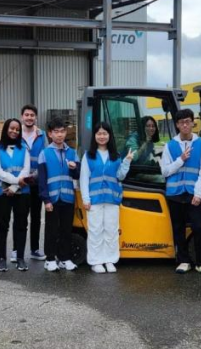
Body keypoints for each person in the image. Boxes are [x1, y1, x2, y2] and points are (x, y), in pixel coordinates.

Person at [161, 108, 201, 274]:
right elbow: (165, 171)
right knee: (178, 228)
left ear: (192, 123)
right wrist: (180, 160)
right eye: (181, 122)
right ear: (177, 125)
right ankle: (183, 261)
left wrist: (199, 193)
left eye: (188, 121)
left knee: (198, 227)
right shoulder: (170, 146)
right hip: (175, 194)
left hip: (193, 193)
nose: (185, 125)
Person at [81, 121, 132, 273]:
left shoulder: (116, 156)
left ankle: (110, 260)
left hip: (112, 199)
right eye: (99, 133)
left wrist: (127, 161)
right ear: (95, 136)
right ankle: (96, 261)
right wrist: (86, 199)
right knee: (95, 231)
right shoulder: (88, 156)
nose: (102, 136)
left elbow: (120, 176)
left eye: (105, 133)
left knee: (111, 231)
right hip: (94, 200)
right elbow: (84, 179)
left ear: (110, 136)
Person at [37, 116, 80, 272]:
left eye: (62, 131)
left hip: (68, 198)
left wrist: (75, 168)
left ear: (66, 132)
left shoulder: (72, 153)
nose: (60, 134)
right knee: (52, 230)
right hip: (53, 199)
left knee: (66, 230)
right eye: (56, 132)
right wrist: (46, 200)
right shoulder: (44, 154)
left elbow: (77, 175)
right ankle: (50, 258)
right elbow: (42, 180)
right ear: (50, 134)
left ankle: (64, 258)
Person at [0, 118, 31, 272]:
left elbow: (26, 169)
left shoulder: (24, 148)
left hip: (22, 192)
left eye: (17, 129)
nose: (14, 131)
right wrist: (16, 181)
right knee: (2, 225)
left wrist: (15, 187)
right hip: (2, 193)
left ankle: (20, 258)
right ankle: (2, 259)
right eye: (11, 128)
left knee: (21, 225)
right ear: (5, 129)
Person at [19, 104, 46, 262]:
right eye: (26, 115)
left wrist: (35, 176)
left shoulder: (42, 135)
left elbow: (46, 156)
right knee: (20, 217)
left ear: (36, 117)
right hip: (21, 183)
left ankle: (34, 249)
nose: (29, 118)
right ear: (22, 117)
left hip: (36, 183)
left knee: (36, 218)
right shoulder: (16, 134)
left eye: (32, 115)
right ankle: (17, 250)